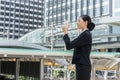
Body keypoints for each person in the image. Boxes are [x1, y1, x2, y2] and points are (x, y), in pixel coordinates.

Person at [62, 15, 95, 80]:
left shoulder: (85, 34)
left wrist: (65, 32)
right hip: (82, 66)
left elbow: (69, 45)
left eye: (79, 20)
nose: (77, 22)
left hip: (83, 66)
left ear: (85, 22)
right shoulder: (85, 34)